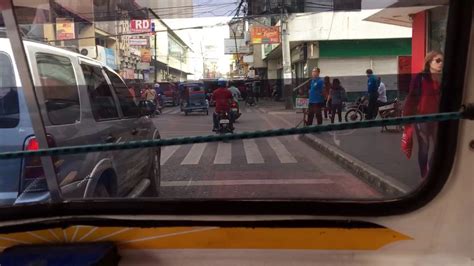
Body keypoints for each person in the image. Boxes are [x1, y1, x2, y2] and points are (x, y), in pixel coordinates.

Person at [402, 51, 443, 179]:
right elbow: (411, 98)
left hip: (439, 118)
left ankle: (430, 169)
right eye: (438, 60)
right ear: (429, 62)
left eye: (442, 61)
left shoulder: (444, 78)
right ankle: (424, 176)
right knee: (424, 148)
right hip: (422, 118)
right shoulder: (420, 78)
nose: (441, 63)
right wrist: (407, 119)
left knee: (441, 146)